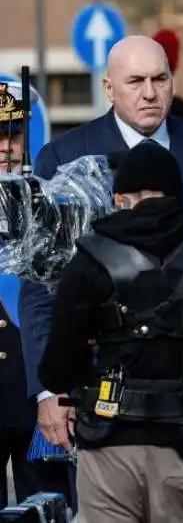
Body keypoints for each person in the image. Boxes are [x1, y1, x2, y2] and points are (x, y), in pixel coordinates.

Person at [19, 35, 183, 491]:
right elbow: (40, 289)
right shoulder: (65, 157)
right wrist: (51, 391)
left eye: (160, 79)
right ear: (109, 89)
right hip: (100, 398)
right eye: (136, 81)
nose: (150, 92)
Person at [37, 142, 183, 521]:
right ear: (178, 195)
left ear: (120, 198)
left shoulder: (90, 256)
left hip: (109, 443)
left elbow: (57, 368)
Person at [0, 82, 58, 508]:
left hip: (37, 389)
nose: (5, 146)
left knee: (44, 508)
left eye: (13, 134)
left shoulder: (53, 204)